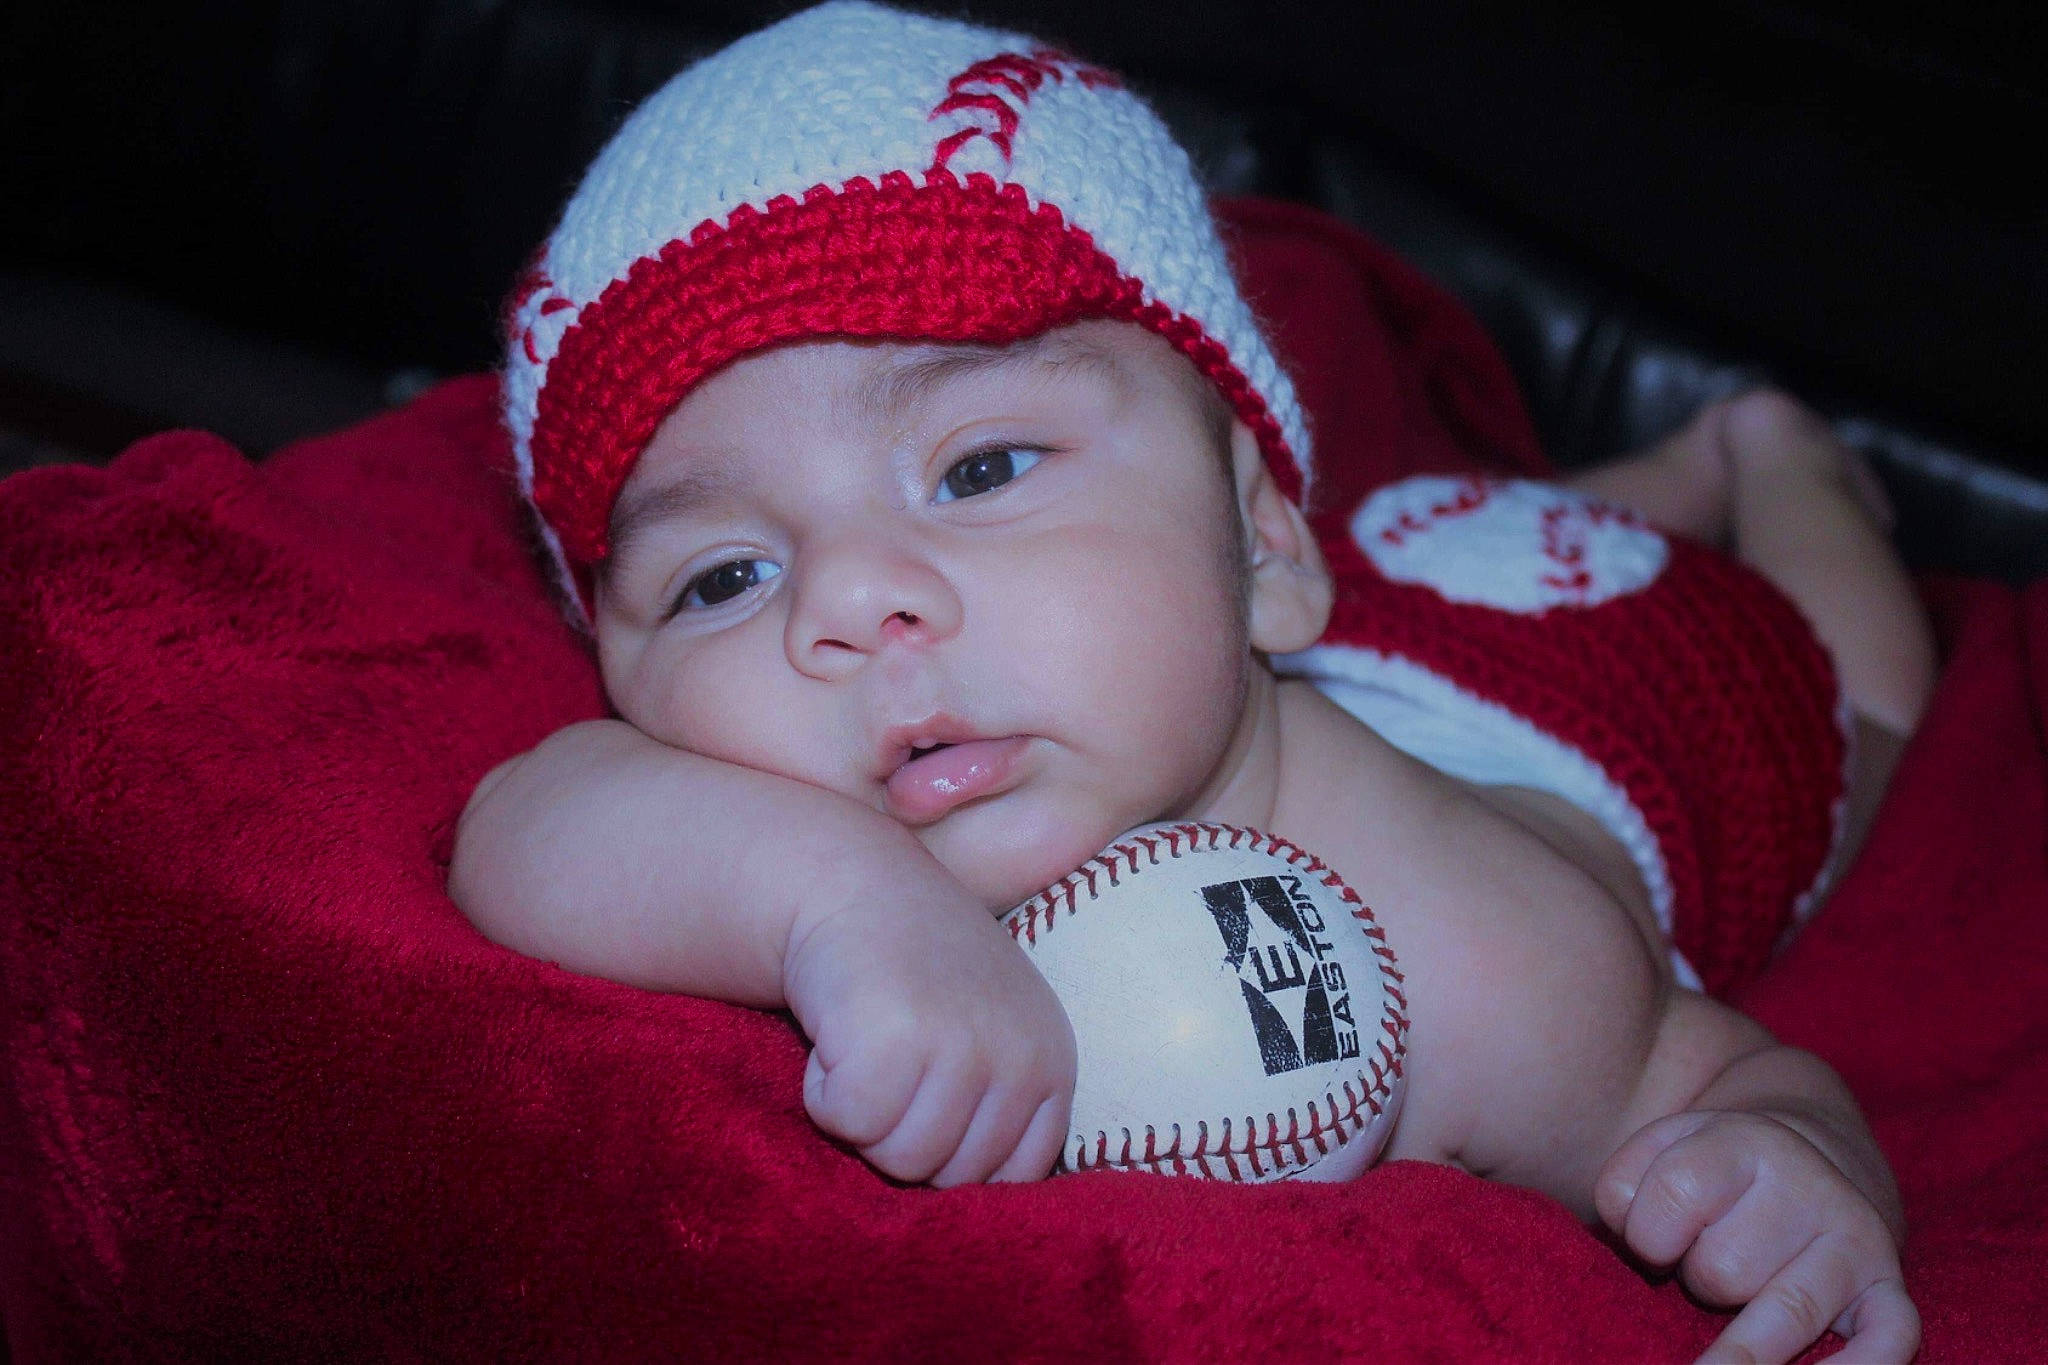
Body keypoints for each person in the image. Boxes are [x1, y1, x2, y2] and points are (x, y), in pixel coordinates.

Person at [449, 4, 1933, 1360]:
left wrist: (1791, 1162)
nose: (849, 600)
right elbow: (525, 822)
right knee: (1462, 535)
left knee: (1861, 691)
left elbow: (1729, 1075)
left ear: (1260, 542)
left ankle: (1764, 455)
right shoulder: (879, 754)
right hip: (1390, 594)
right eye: (723, 577)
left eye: (980, 467)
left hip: (1660, 688)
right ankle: (1645, 476)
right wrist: (828, 895)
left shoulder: (1490, 962)